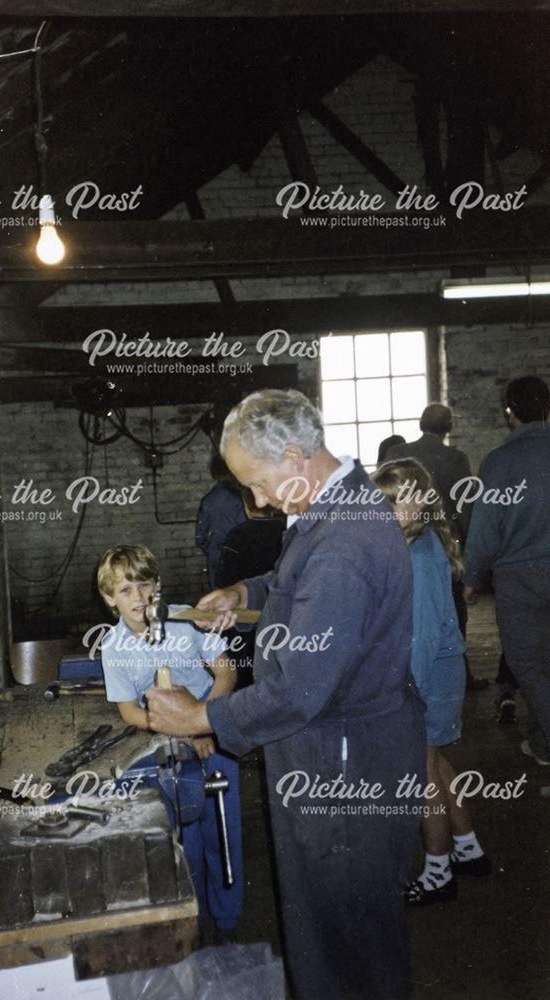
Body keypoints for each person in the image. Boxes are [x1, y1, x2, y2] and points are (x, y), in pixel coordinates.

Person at [147, 389, 426, 1000]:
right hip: (352, 744)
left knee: (339, 935)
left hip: (341, 761)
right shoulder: (341, 503)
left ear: (296, 458)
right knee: (350, 925)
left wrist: (201, 716)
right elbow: (297, 579)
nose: (258, 501)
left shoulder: (343, 544)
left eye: (260, 484)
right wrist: (248, 592)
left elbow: (300, 688)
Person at [97, 544, 243, 943]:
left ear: (158, 587)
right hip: (167, 752)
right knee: (182, 846)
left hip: (214, 738)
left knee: (224, 839)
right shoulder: (113, 648)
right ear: (110, 598)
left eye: (145, 586)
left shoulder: (188, 621)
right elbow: (129, 711)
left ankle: (227, 927)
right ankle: (190, 928)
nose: (139, 599)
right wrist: (179, 732)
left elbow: (226, 674)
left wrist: (201, 725)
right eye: (125, 590)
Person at [373, 459, 491, 906]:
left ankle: (438, 873)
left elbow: (420, 636)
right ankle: (469, 850)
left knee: (422, 774)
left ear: (422, 499)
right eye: (384, 502)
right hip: (442, 672)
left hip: (429, 678)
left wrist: (406, 692)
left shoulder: (418, 555)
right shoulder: (416, 541)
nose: (389, 511)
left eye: (398, 501)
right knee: (437, 764)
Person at [463, 376, 550, 774]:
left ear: (509, 413)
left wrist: (471, 575)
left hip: (519, 578)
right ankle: (542, 740)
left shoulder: (498, 462)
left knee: (528, 664)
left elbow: (485, 526)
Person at [387, 402, 488, 691]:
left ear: (421, 423)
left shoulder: (397, 454)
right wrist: (467, 552)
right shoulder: (456, 458)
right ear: (448, 428)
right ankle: (458, 673)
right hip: (443, 540)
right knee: (451, 608)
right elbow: (465, 508)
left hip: (402, 540)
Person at [216, 488, 286, 688]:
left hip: (243, 620)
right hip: (278, 617)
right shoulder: (286, 532)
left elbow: (224, 578)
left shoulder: (236, 536)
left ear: (245, 506)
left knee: (243, 670)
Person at [195, 454, 246, 589]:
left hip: (215, 555)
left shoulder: (208, 500)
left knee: (217, 596)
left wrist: (212, 549)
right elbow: (245, 528)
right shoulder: (240, 499)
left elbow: (201, 536)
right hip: (237, 556)